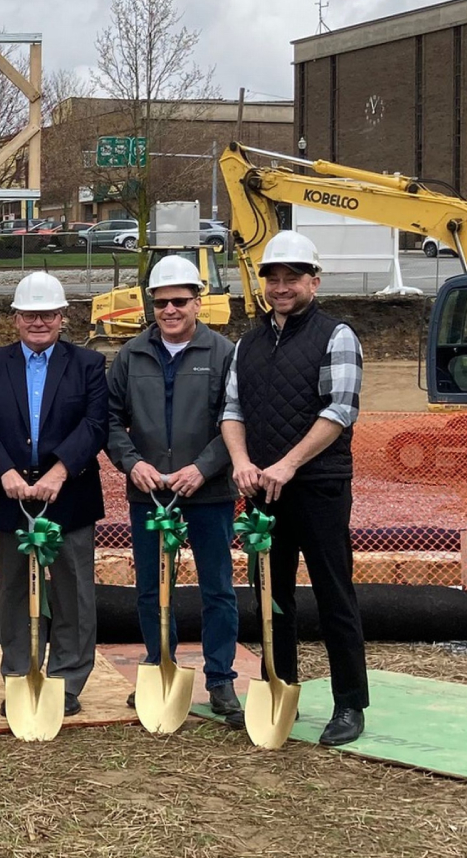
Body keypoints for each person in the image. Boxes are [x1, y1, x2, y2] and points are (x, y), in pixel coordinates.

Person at [220, 230, 368, 746]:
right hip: (262, 489)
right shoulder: (249, 342)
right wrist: (241, 461)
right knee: (270, 595)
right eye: (274, 279)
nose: (281, 288)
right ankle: (278, 683)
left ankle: (350, 703)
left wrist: (286, 464)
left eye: (292, 278)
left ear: (314, 281)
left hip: (319, 487)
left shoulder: (336, 334)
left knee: (333, 593)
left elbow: (340, 409)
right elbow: (232, 409)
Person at [106, 255, 241, 718]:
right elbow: (109, 419)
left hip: (208, 492)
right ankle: (156, 665)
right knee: (150, 586)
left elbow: (235, 419)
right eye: (161, 302)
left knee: (217, 588)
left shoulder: (223, 353)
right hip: (149, 491)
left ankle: (221, 679)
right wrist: (131, 464)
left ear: (197, 303)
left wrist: (203, 468)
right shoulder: (131, 354)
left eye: (179, 301)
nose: (169, 310)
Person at [0, 272, 108, 717]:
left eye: (47, 314)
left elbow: (95, 424)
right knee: (13, 589)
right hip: (8, 495)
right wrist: (4, 471)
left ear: (62, 317)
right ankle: (19, 674)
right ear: (15, 318)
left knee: (72, 591)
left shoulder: (87, 364)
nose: (38, 322)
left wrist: (60, 471)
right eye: (30, 314)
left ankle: (66, 681)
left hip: (67, 495)